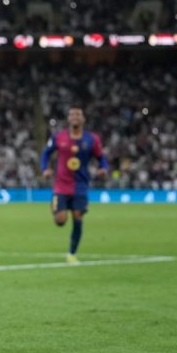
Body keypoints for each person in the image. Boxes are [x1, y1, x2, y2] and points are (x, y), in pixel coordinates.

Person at [41, 106, 108, 264]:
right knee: (60, 221)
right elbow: (45, 153)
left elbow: (101, 157)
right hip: (61, 185)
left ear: (83, 118)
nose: (75, 116)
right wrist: (45, 169)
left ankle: (71, 253)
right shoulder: (59, 137)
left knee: (78, 217)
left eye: (78, 114)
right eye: (72, 114)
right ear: (68, 119)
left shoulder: (92, 139)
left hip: (80, 185)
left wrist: (104, 168)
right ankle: (55, 205)